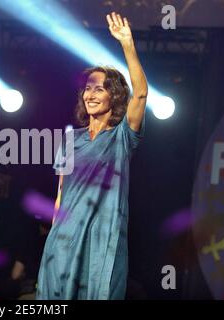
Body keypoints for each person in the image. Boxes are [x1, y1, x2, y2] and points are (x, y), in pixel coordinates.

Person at [37, 12, 147, 300]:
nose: (91, 94)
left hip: (103, 241)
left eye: (100, 88)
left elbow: (142, 95)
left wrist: (127, 44)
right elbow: (61, 194)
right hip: (64, 239)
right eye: (88, 88)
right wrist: (54, 237)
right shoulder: (71, 140)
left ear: (115, 96)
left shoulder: (123, 137)